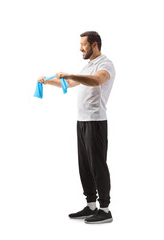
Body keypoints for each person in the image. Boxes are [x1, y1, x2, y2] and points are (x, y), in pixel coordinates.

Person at [38, 31, 115, 224]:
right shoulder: (88, 66)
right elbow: (71, 82)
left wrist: (71, 74)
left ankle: (105, 210)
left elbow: (97, 80)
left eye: (84, 44)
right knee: (85, 165)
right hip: (82, 121)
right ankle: (91, 206)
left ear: (95, 45)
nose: (80, 48)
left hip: (96, 121)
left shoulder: (105, 64)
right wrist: (47, 81)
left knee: (97, 165)